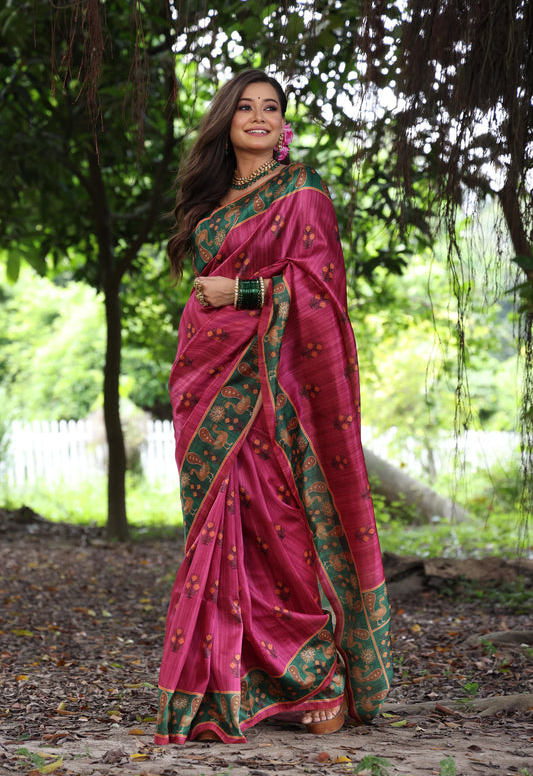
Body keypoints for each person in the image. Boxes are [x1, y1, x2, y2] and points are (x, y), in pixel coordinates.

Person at [154, 68, 392, 745]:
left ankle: (316, 674)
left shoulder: (303, 192)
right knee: (217, 536)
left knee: (278, 526)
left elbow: (320, 291)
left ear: (282, 123)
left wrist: (245, 293)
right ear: (226, 120)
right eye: (245, 107)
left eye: (271, 108)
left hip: (268, 386)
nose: (258, 116)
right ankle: (231, 685)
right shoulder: (208, 198)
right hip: (202, 383)